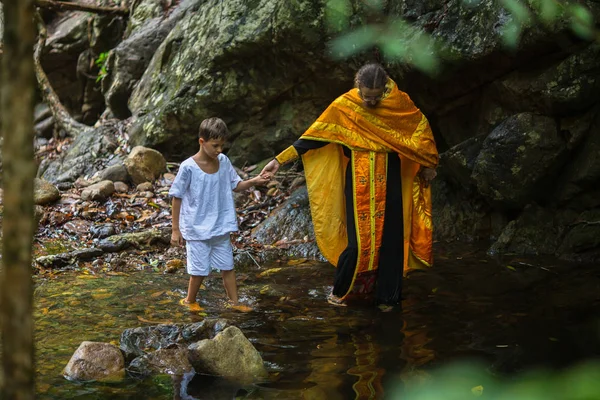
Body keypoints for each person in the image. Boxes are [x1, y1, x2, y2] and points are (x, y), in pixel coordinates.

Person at [260, 63, 438, 309]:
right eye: (367, 97)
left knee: (392, 239)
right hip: (358, 178)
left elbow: (421, 132)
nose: (372, 103)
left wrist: (429, 162)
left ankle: (388, 297)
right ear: (358, 88)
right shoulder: (345, 105)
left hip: (391, 176)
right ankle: (340, 291)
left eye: (376, 98)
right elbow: (314, 137)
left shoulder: (399, 103)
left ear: (385, 88)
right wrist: (278, 161)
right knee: (357, 243)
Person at [169, 117, 269, 311]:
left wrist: (255, 180)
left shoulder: (223, 161)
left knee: (228, 267)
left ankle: (235, 302)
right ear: (201, 142)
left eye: (222, 145)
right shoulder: (188, 167)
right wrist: (175, 229)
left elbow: (236, 185)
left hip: (220, 225)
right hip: (196, 228)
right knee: (199, 271)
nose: (219, 150)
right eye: (215, 145)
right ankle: (190, 301)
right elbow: (176, 197)